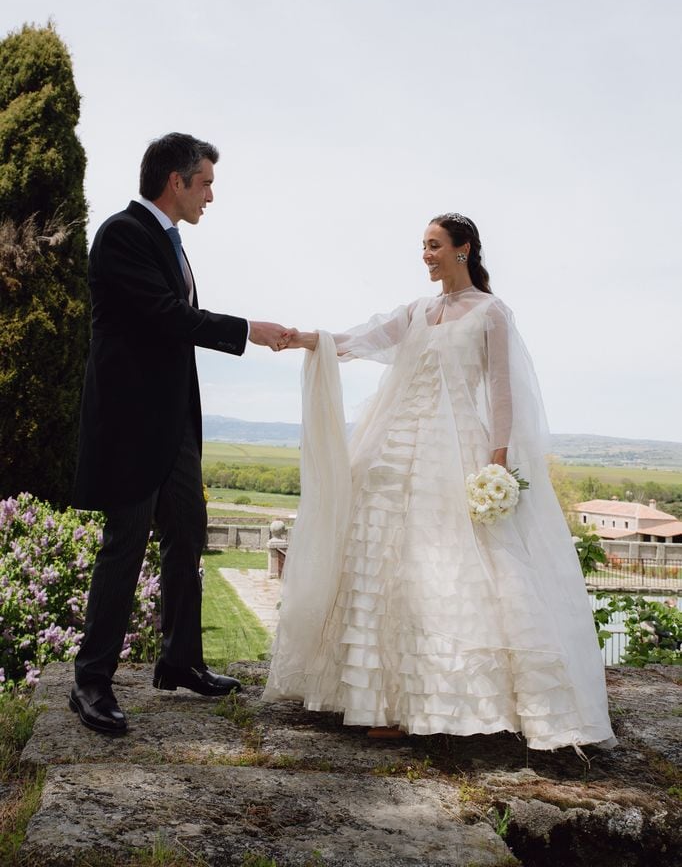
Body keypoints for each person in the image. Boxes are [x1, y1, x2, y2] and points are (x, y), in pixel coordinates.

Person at [263, 213, 616, 753]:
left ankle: (445, 703)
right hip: (395, 441)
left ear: (463, 249)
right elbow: (359, 339)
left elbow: (502, 392)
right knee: (375, 555)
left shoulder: (492, 313)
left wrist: (497, 461)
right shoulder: (418, 311)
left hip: (457, 452)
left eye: (434, 245)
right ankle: (376, 703)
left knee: (456, 568)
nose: (425, 254)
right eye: (422, 246)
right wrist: (302, 339)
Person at [70, 132, 290, 735]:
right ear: (177, 181)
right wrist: (248, 329)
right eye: (207, 183)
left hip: (174, 431)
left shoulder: (169, 244)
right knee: (124, 547)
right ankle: (91, 682)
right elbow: (169, 319)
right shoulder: (122, 234)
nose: (211, 197)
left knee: (187, 538)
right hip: (129, 430)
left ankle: (181, 661)